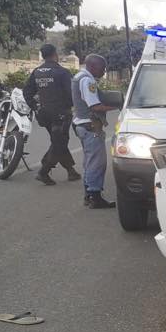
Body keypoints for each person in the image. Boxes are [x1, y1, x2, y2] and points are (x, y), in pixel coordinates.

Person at [23, 44, 80, 185]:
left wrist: (35, 106)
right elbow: (70, 93)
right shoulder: (62, 72)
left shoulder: (37, 72)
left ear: (42, 56)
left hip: (44, 114)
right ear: (55, 54)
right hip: (60, 114)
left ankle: (71, 171)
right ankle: (44, 171)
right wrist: (72, 106)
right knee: (59, 142)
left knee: (58, 140)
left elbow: (27, 92)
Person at [72, 54, 118, 209]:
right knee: (97, 164)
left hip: (83, 127)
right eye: (102, 68)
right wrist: (118, 107)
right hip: (91, 127)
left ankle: (89, 196)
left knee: (89, 163)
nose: (104, 72)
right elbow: (95, 106)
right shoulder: (88, 80)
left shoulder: (79, 77)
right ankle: (95, 197)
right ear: (93, 66)